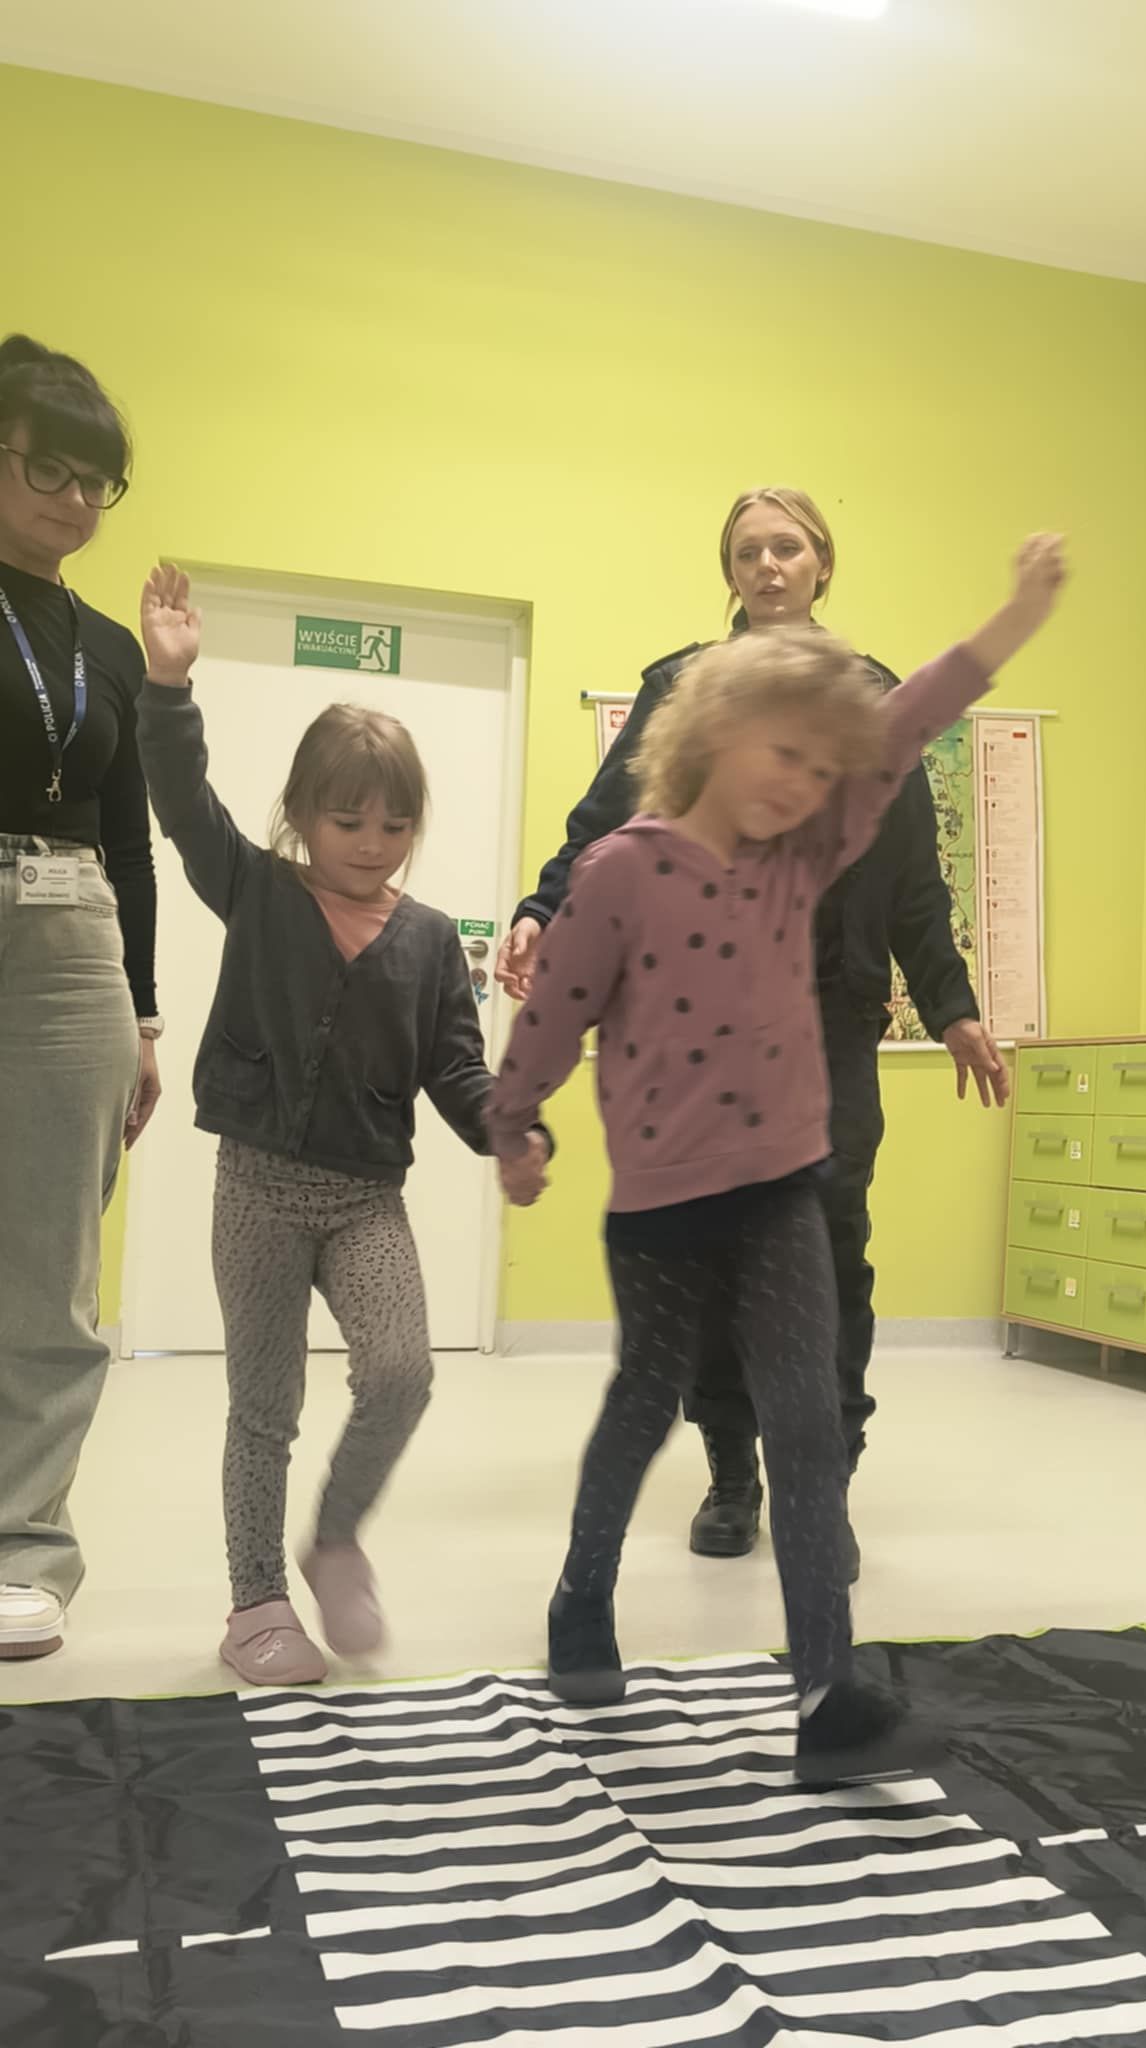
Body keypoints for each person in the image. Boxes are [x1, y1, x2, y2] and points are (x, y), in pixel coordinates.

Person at [489, 534, 1065, 1785]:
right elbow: (555, 1013)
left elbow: (908, 725)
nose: (806, 782)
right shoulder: (622, 869)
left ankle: (827, 1698)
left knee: (804, 1426)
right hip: (662, 1209)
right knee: (645, 1403)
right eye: (783, 754)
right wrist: (515, 1123)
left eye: (819, 764)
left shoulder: (806, 853)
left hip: (783, 1192)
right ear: (711, 733)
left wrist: (1011, 620)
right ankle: (582, 1597)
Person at [134, 566, 551, 1686]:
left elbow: (456, 1070)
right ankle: (255, 1602)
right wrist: (169, 686)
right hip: (258, 1190)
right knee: (264, 1407)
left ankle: (334, 1539)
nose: (371, 841)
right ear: (301, 815)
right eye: (347, 818)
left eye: (395, 823)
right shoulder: (258, 889)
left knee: (402, 1372)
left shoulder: (429, 941)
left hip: (366, 1199)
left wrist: (511, 1131)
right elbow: (181, 800)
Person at [0, 335, 163, 1662]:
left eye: (96, 480)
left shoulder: (106, 647)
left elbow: (129, 838)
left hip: (74, 944)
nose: (73, 499)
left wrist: (145, 1016)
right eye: (47, 468)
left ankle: (24, 1546)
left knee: (53, 1269)